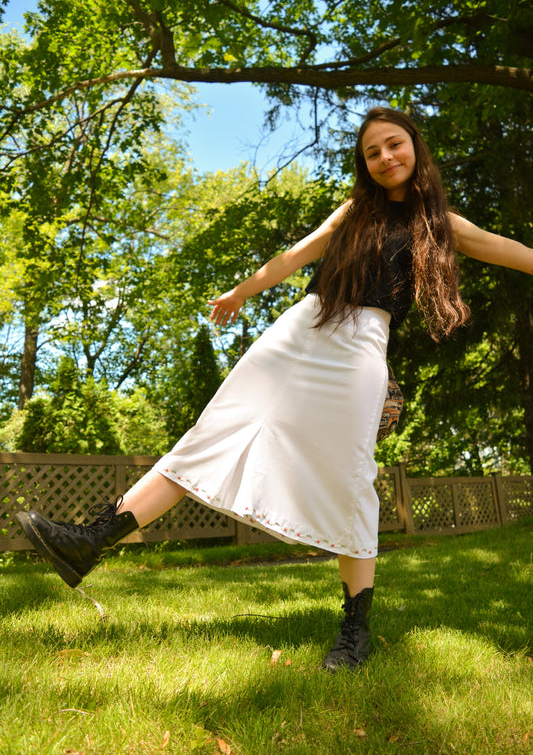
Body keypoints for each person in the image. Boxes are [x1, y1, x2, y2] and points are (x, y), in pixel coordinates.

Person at [16, 107, 533, 672]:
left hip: (362, 345)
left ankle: (355, 629)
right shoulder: (354, 212)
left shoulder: (441, 225)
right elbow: (296, 255)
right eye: (372, 152)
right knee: (211, 433)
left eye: (394, 145)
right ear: (364, 164)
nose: (385, 158)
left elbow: (510, 250)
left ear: (415, 147)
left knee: (351, 474)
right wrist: (241, 292)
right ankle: (90, 542)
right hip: (301, 328)